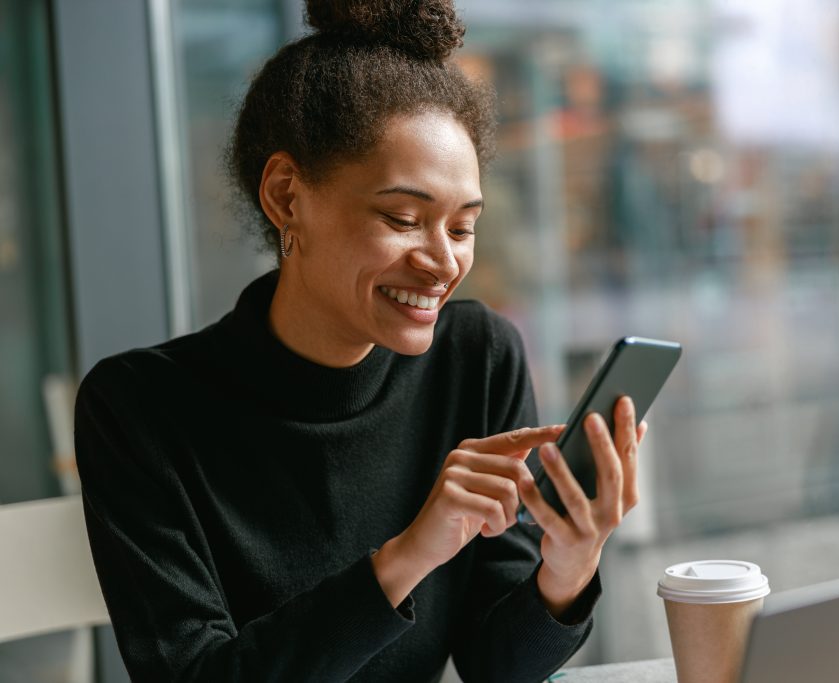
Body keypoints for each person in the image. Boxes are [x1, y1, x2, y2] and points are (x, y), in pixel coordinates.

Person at [74, 1, 646, 681]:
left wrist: (569, 564)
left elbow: (499, 666)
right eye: (403, 217)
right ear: (286, 196)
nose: (442, 262)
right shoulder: (140, 409)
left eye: (462, 227)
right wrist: (406, 556)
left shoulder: (476, 357)